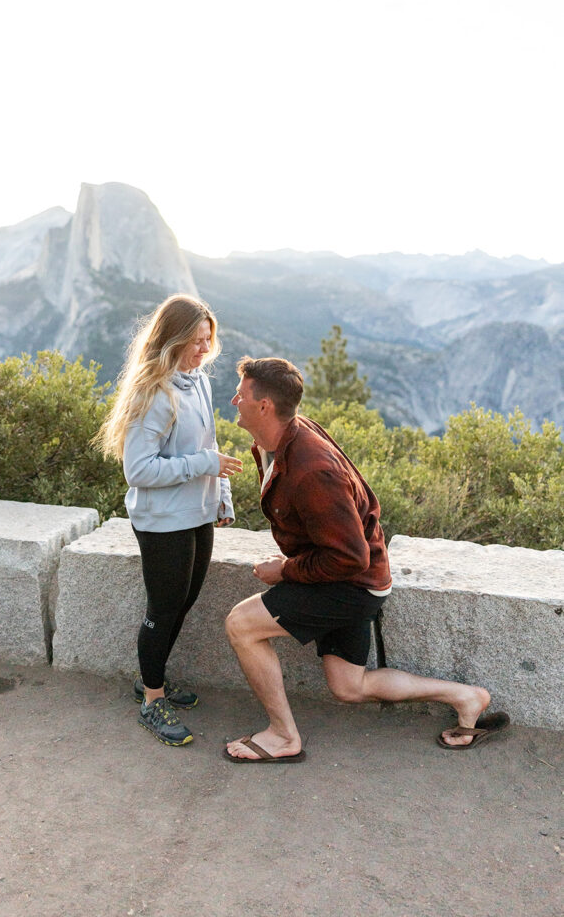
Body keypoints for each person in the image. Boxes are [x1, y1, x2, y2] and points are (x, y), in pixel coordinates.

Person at [223, 356, 510, 763]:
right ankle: (467, 698)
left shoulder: (311, 467)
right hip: (353, 578)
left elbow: (349, 557)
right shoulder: (282, 439)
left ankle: (284, 737)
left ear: (265, 406)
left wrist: (284, 569)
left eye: (243, 395)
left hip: (349, 585)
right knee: (349, 686)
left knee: (241, 624)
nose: (235, 400)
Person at [95, 294, 242, 747]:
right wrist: (203, 466)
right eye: (196, 341)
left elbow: (210, 444)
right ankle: (151, 698)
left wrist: (221, 496)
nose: (204, 349)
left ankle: (150, 677)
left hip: (195, 514)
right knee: (163, 609)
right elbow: (138, 471)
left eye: (207, 340)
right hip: (162, 522)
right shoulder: (152, 393)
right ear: (173, 339)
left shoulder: (194, 379)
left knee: (184, 601)